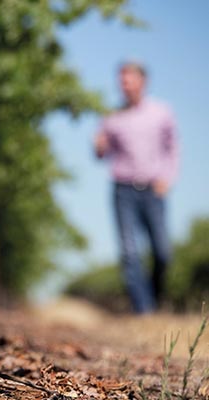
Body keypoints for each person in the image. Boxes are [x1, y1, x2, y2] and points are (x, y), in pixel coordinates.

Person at [95, 61, 179, 314]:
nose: (124, 84)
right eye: (121, 80)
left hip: (154, 189)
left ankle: (155, 297)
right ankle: (144, 311)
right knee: (130, 252)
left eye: (128, 79)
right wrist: (99, 146)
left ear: (143, 81)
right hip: (123, 190)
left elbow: (173, 148)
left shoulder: (162, 112)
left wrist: (168, 178)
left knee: (162, 251)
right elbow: (101, 153)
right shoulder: (111, 116)